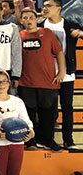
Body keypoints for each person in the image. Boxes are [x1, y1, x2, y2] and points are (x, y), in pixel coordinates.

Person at [19, 8, 65, 150]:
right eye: (25, 18)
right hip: (26, 82)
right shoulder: (19, 35)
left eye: (31, 17)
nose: (28, 20)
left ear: (36, 18)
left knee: (49, 114)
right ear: (21, 21)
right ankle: (31, 141)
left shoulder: (47, 33)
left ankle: (48, 140)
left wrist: (62, 72)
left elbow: (59, 52)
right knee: (29, 114)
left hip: (48, 82)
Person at [40, 0, 83, 149]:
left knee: (67, 107)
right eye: (43, 6)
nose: (44, 8)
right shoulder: (40, 25)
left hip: (66, 72)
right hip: (45, 73)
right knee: (47, 108)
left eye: (48, 6)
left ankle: (68, 140)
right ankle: (47, 139)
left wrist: (80, 33)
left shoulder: (69, 24)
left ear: (59, 8)